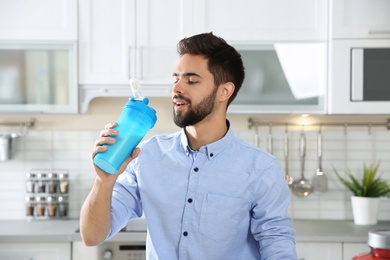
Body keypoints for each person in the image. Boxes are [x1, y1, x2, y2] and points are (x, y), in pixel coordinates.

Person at [80, 32, 297, 260]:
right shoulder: (145, 156)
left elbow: (277, 244)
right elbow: (92, 236)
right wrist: (104, 181)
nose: (176, 89)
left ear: (225, 91)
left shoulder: (260, 168)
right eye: (175, 79)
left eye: (191, 80)